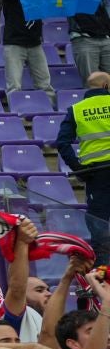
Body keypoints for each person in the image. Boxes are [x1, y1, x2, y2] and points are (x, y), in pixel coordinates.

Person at [56, 70, 110, 255]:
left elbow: (62, 143)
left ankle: (102, 267)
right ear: (106, 86)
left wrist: (78, 168)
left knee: (99, 222)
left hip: (96, 173)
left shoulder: (76, 109)